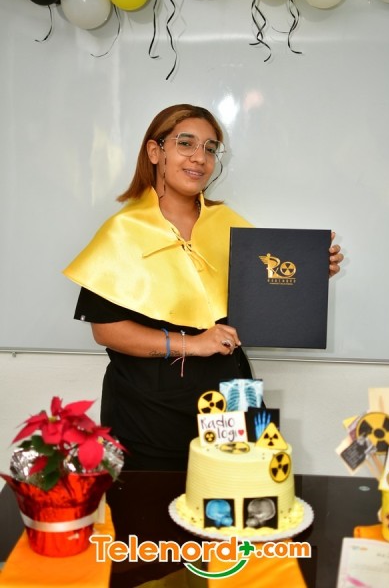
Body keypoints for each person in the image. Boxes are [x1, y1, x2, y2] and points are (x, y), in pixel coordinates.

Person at [63, 104, 343, 472]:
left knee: (240, 498)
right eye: (186, 143)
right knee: (154, 507)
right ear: (155, 151)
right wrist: (192, 344)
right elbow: (106, 331)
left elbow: (256, 304)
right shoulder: (123, 230)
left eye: (210, 149)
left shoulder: (228, 224)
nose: (200, 158)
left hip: (230, 401)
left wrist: (305, 278)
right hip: (148, 414)